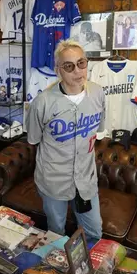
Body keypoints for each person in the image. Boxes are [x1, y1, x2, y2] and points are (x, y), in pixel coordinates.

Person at [26, 40, 105, 242]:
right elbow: (34, 139)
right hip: (53, 180)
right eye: (69, 66)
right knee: (56, 233)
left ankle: (84, 271)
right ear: (58, 70)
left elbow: (99, 129)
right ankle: (59, 270)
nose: (77, 71)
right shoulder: (42, 102)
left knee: (94, 233)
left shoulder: (98, 93)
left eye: (82, 63)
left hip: (85, 180)